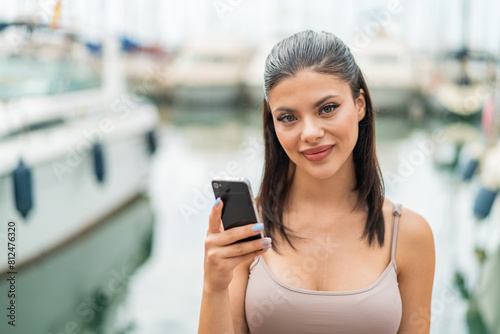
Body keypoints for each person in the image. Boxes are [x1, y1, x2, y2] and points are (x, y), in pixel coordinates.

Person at [199, 30, 435, 334]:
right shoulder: (248, 229)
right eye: (288, 117)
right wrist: (213, 286)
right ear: (272, 122)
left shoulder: (410, 234)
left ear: (359, 105)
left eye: (327, 109)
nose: (309, 133)